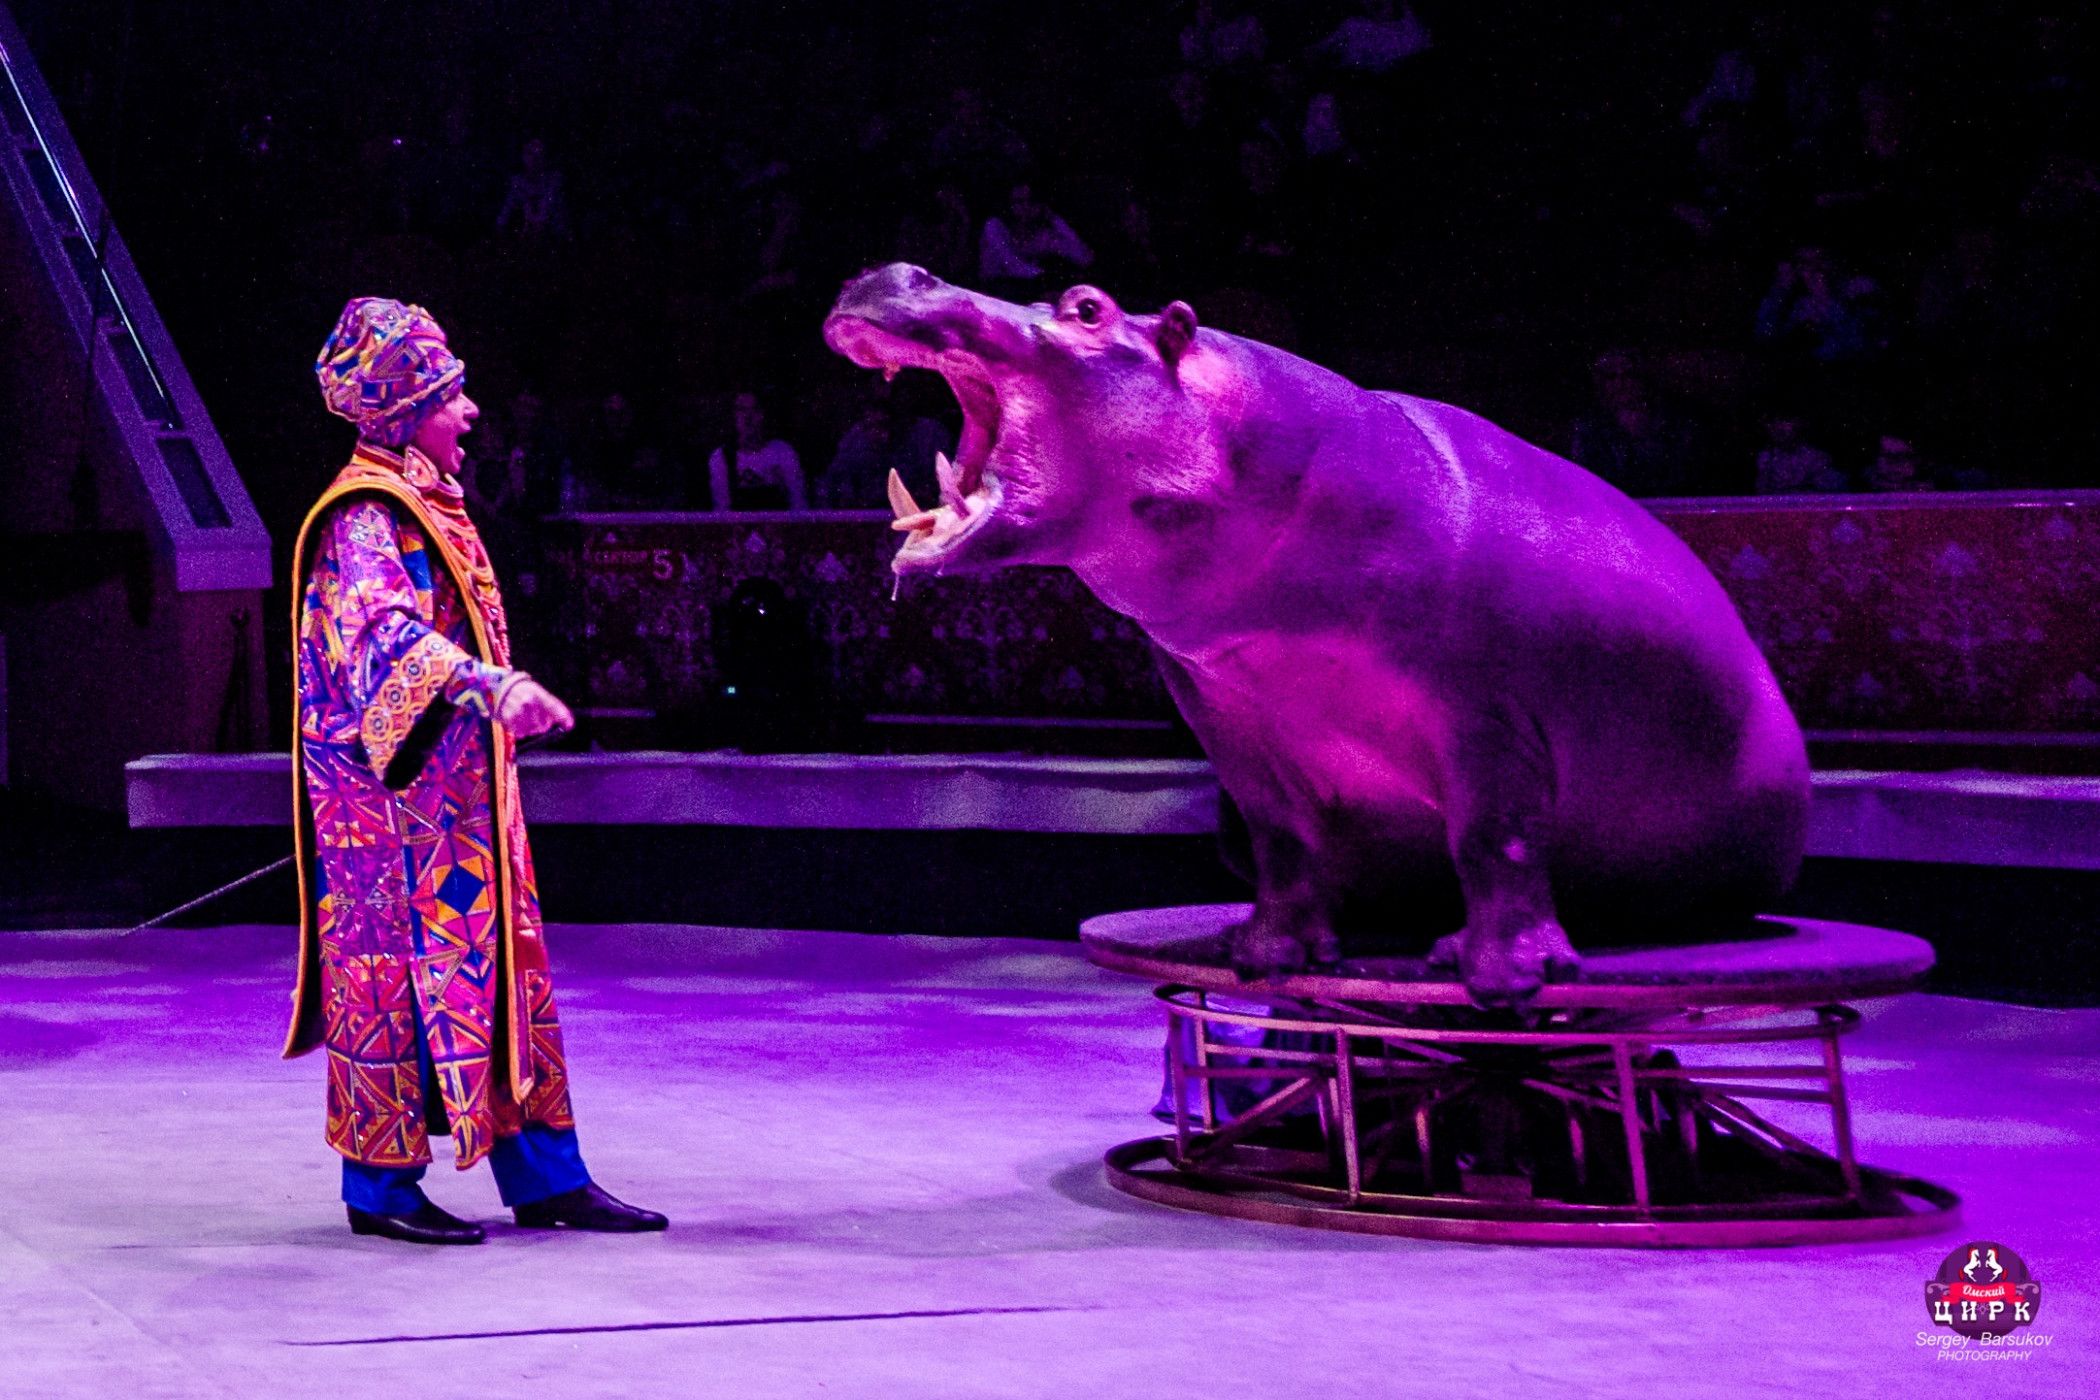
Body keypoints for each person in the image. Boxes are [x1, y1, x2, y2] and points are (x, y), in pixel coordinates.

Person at [294, 298, 664, 1244]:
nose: (470, 411)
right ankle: (379, 1190)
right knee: (385, 982)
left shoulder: (423, 500)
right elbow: (383, 641)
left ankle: (546, 1176)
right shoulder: (366, 515)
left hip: (460, 803)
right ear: (407, 409)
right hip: (387, 819)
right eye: (450, 396)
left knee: (504, 973)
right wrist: (489, 687)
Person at [708, 390, 807, 510]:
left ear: (763, 415)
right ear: (733, 416)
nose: (748, 417)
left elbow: (799, 504)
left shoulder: (783, 452)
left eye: (754, 409)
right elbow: (722, 510)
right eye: (741, 410)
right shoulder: (721, 458)